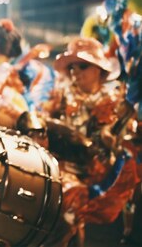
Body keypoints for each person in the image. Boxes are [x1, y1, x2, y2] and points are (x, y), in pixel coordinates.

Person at [43, 36, 139, 246]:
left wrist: (113, 142)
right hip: (61, 177)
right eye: (71, 68)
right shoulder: (60, 98)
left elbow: (126, 150)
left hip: (100, 186)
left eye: (82, 66)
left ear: (98, 69)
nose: (75, 72)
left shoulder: (117, 104)